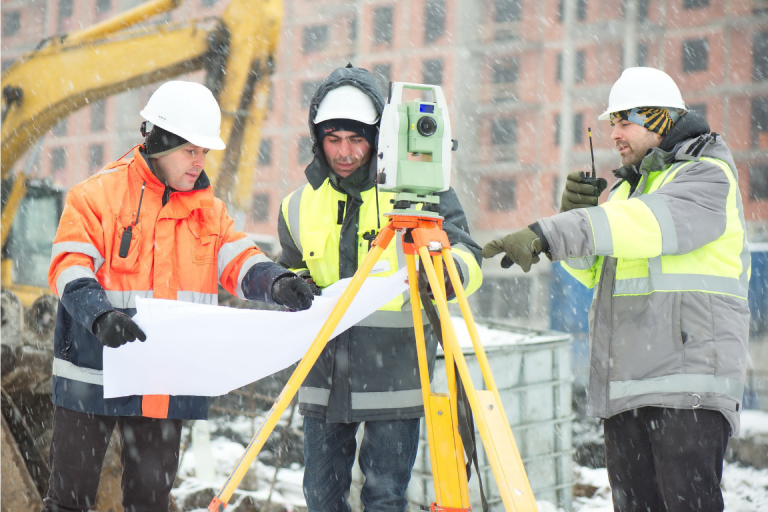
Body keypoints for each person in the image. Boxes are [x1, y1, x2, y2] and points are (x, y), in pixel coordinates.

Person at [483, 67, 750, 512]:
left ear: (660, 119)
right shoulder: (629, 191)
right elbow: (596, 274)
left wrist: (556, 230)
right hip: (628, 388)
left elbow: (648, 225)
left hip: (688, 388)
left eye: (625, 122)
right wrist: (573, 224)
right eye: (611, 124)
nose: (614, 134)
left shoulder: (705, 176)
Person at [44, 80, 314, 511]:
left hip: (162, 380)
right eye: (191, 150)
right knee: (69, 501)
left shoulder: (208, 211)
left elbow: (240, 261)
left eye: (204, 152)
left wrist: (277, 282)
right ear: (159, 143)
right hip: (92, 374)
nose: (199, 162)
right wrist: (100, 316)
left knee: (150, 502)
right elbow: (69, 266)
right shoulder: (95, 196)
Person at [276, 65, 483, 512]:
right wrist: (287, 285)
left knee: (384, 497)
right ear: (318, 139)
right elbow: (292, 268)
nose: (345, 152)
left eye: (357, 139)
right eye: (334, 140)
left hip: (397, 370)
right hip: (323, 372)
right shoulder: (297, 205)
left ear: (379, 136)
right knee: (320, 497)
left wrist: (450, 275)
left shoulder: (421, 192)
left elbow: (468, 252)